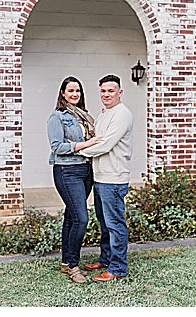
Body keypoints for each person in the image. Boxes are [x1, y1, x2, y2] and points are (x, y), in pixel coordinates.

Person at [73, 74, 135, 283]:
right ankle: (106, 259)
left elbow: (105, 144)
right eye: (103, 91)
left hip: (114, 178)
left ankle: (117, 268)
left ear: (120, 92)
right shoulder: (105, 114)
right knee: (105, 222)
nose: (106, 94)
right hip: (100, 177)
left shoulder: (122, 114)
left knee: (115, 223)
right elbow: (95, 139)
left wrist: (77, 151)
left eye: (111, 91)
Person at [46, 76, 98, 283]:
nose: (75, 94)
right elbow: (57, 146)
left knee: (71, 217)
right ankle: (74, 266)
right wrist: (83, 145)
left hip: (86, 170)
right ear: (63, 93)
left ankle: (66, 263)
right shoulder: (57, 117)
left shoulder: (84, 116)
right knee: (81, 218)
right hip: (67, 171)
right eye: (71, 91)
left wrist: (79, 144)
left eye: (78, 91)